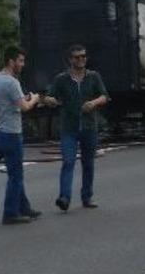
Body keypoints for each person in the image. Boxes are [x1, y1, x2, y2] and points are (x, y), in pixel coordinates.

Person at [43, 45, 109, 211]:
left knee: (88, 163)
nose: (81, 59)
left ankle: (87, 197)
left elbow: (104, 96)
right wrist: (49, 100)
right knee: (68, 161)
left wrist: (93, 103)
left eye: (83, 56)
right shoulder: (62, 79)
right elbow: (50, 96)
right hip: (69, 127)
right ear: (70, 60)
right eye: (77, 57)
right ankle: (64, 197)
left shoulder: (93, 77)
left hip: (89, 127)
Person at [0, 45, 41, 225]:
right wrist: (35, 99)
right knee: (16, 175)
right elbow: (24, 107)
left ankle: (24, 207)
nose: (22, 65)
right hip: (12, 133)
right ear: (11, 61)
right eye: (20, 61)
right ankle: (10, 213)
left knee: (14, 172)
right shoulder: (11, 82)